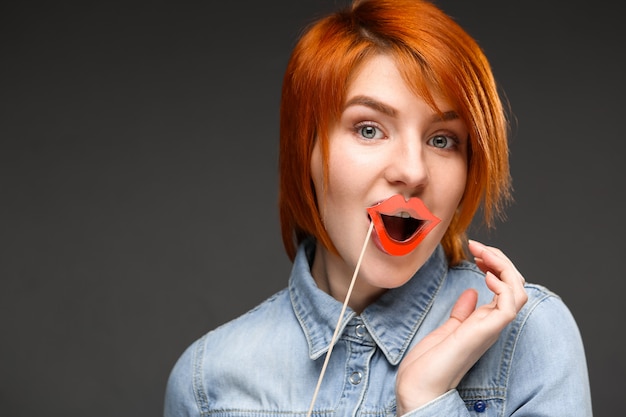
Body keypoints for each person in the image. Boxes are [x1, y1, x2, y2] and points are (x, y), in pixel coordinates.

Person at [164, 0, 592, 415]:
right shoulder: (209, 383)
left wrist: (428, 402)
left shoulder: (528, 335)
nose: (412, 170)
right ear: (305, 149)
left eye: (441, 139)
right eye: (369, 129)